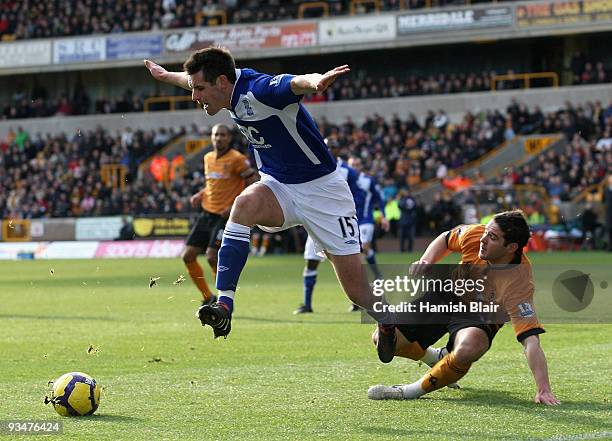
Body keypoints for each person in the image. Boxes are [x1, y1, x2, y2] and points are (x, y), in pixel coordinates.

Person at [144, 48, 390, 344]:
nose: (194, 96)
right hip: (279, 186)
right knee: (244, 204)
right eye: (193, 88)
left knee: (357, 292)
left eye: (200, 89)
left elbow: (295, 82)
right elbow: (188, 79)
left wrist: (315, 82)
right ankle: (224, 304)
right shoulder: (222, 88)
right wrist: (164, 75)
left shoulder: (258, 89)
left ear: (222, 82)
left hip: (323, 191)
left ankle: (390, 322)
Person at [369, 210, 560, 405]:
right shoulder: (475, 235)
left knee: (468, 347)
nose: (483, 239)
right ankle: (435, 358)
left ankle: (409, 391)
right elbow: (445, 239)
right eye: (486, 231)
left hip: (480, 317)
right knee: (383, 340)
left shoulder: (519, 283)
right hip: (449, 294)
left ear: (511, 247)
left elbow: (530, 340)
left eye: (492, 237)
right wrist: (427, 260)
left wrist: (543, 389)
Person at [182, 123, 257, 304]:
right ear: (211, 137)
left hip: (225, 216)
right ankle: (208, 297)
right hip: (207, 212)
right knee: (188, 255)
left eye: (223, 135)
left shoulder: (237, 159)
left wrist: (235, 206)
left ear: (229, 138)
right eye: (216, 135)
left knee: (211, 256)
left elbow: (253, 182)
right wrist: (200, 194)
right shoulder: (208, 158)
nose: (219, 138)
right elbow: (212, 184)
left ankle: (224, 299)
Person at [294, 139, 360, 315]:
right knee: (311, 263)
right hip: (316, 222)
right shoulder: (311, 165)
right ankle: (307, 304)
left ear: (339, 149)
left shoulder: (348, 171)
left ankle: (359, 301)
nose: (330, 149)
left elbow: (355, 196)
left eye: (333, 146)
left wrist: (353, 218)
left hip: (339, 223)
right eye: (327, 146)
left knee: (348, 265)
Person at [347, 156, 390, 285]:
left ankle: (360, 282)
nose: (355, 167)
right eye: (352, 165)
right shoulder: (343, 180)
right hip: (350, 221)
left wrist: (384, 216)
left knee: (362, 248)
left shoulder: (368, 181)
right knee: (363, 250)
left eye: (357, 164)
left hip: (366, 220)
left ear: (361, 166)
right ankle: (376, 275)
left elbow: (379, 199)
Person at [397, 188, 417, 252]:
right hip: (403, 220)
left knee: (411, 236)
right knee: (402, 236)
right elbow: (400, 206)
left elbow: (414, 206)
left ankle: (409, 249)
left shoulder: (411, 199)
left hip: (410, 220)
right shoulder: (402, 199)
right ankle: (402, 249)